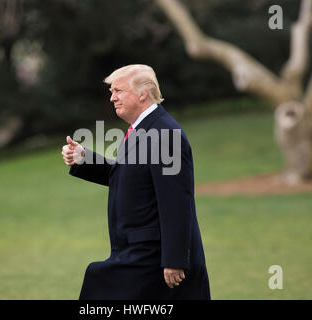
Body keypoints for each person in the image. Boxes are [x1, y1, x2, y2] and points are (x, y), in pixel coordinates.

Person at [62, 64, 210, 299]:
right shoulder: (142, 128)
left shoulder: (164, 135)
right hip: (136, 252)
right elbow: (130, 177)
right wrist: (84, 158)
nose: (112, 98)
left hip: (153, 258)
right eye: (112, 91)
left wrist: (174, 260)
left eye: (118, 91)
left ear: (142, 93)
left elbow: (176, 202)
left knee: (97, 286)